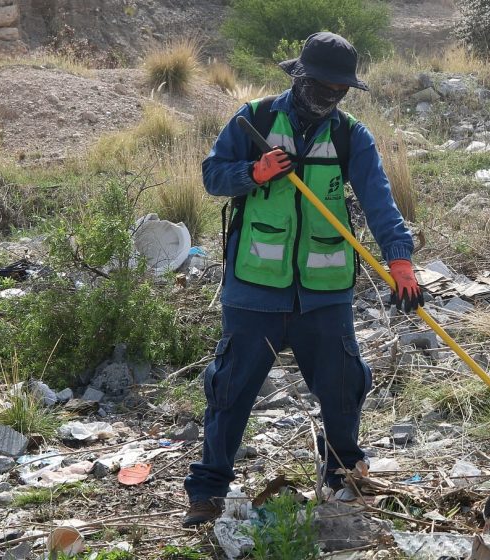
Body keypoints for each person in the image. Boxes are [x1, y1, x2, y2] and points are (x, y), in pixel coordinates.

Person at [182, 32, 424, 527]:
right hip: (254, 288)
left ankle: (340, 478)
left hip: (325, 292)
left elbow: (379, 201)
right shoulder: (256, 119)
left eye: (340, 89)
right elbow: (212, 176)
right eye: (321, 84)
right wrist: (255, 170)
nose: (329, 95)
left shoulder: (351, 135)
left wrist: (400, 259)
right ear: (298, 77)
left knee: (343, 386)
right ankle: (207, 494)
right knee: (229, 390)